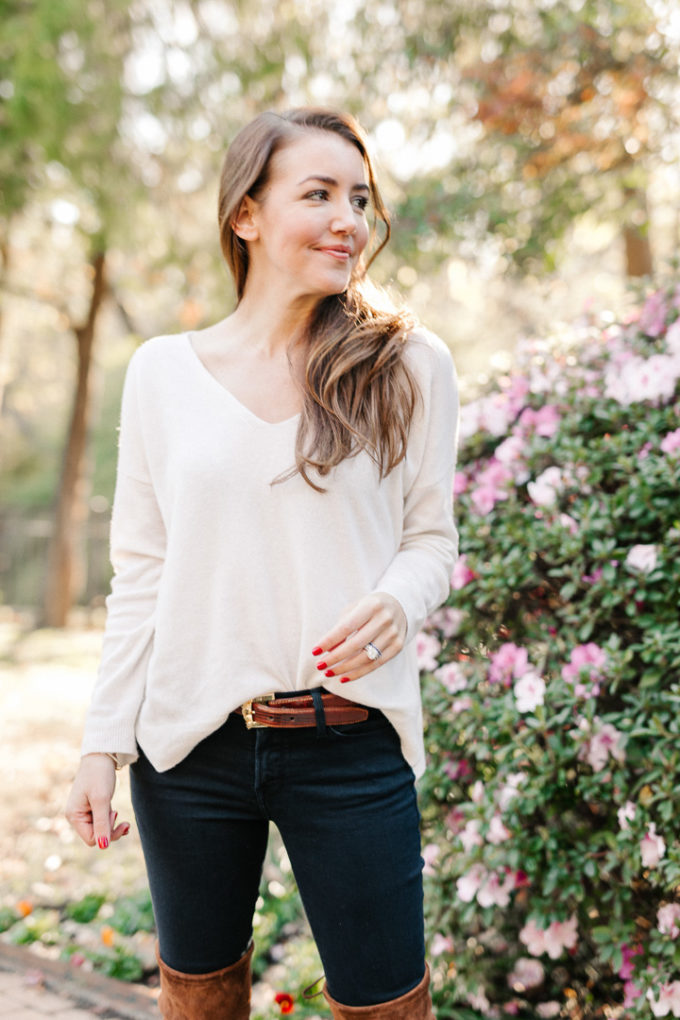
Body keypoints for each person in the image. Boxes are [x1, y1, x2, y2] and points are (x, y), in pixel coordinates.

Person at [65, 107, 459, 1020]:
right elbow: (144, 572)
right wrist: (101, 744)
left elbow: (431, 540)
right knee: (200, 1002)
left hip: (350, 743)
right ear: (245, 215)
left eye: (359, 198)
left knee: (388, 1006)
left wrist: (400, 600)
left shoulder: (408, 365)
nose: (347, 220)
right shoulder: (162, 372)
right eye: (316, 194)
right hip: (189, 749)